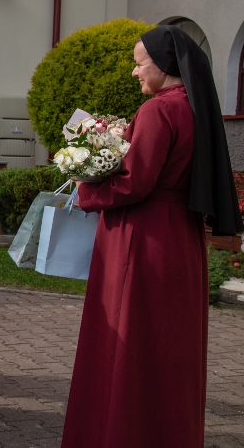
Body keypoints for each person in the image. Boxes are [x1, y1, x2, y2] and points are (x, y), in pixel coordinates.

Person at [61, 25, 244, 448]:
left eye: (139, 63)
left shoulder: (159, 110)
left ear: (164, 64)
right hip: (179, 237)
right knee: (168, 347)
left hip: (142, 239)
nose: (134, 72)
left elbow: (135, 182)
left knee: (130, 342)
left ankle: (121, 434)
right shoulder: (193, 108)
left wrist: (85, 187)